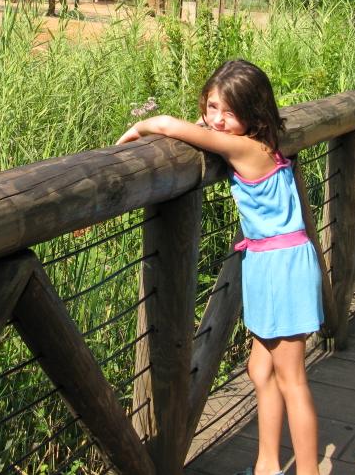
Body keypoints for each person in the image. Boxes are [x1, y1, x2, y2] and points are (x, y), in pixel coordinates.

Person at [116, 59, 322, 475]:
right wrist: (211, 122)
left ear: (254, 114)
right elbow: (206, 129)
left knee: (292, 379)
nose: (218, 120)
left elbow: (170, 126)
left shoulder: (243, 147)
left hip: (281, 266)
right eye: (212, 107)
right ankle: (267, 466)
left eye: (230, 112)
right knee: (260, 369)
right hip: (270, 261)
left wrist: (138, 129)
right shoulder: (265, 138)